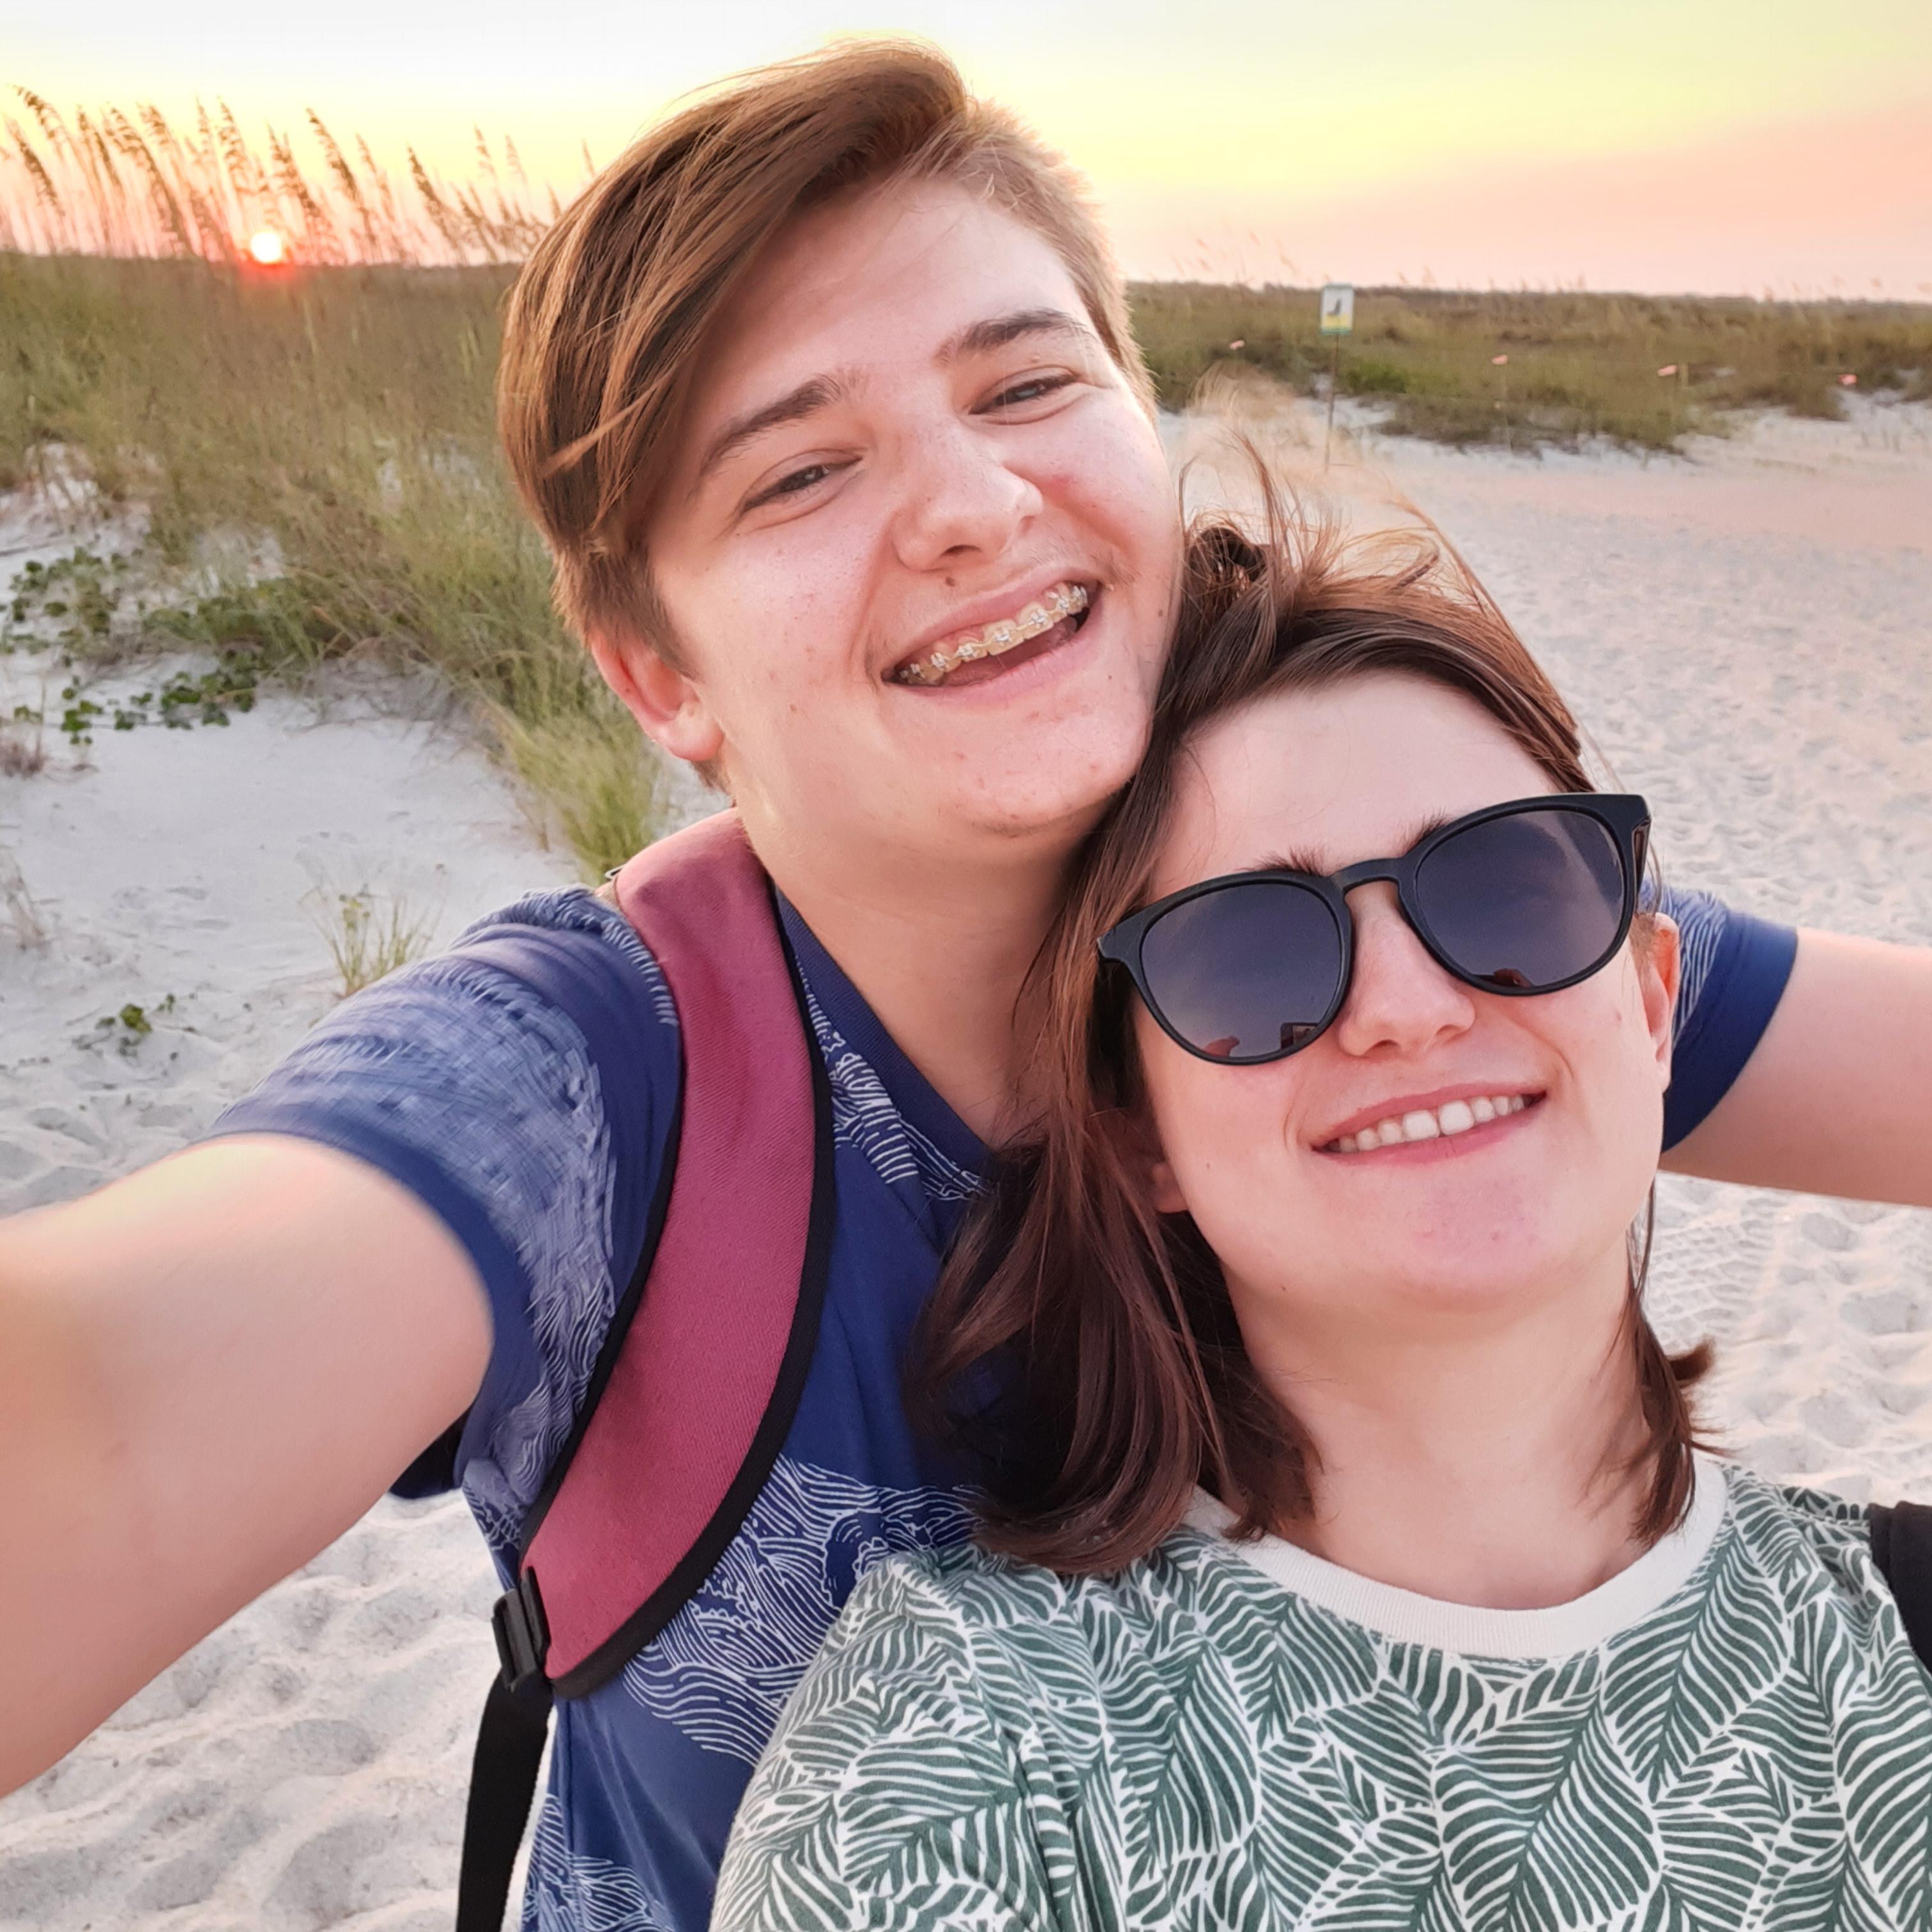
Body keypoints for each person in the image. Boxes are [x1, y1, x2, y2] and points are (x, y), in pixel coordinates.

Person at [1, 40, 1928, 1932]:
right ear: (656, 672)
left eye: (1026, 384)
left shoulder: (1447, 901)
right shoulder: (594, 1082)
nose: (971, 506)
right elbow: (107, 1405)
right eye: (800, 470)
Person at [711, 503, 1932, 1931]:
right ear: (1136, 1133)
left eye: (1506, 888)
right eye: (1252, 955)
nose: (1410, 1010)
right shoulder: (974, 1755)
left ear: (1653, 1004)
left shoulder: (1900, 1640)